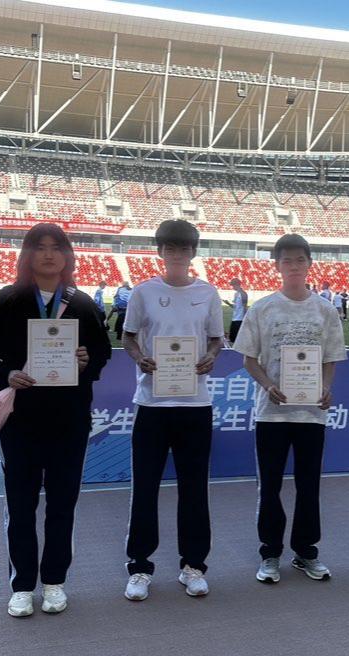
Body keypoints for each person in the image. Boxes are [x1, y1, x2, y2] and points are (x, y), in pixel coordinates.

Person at [0, 222, 112, 619]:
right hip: (21, 421)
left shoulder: (83, 304)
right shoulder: (6, 301)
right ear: (27, 255)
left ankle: (54, 582)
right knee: (21, 505)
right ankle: (21, 586)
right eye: (40, 247)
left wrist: (87, 361)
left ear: (67, 255)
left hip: (70, 420)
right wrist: (5, 375)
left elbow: (102, 354)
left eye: (56, 247)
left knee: (63, 505)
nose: (49, 254)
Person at [233, 233, 347, 585]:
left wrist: (325, 388)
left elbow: (330, 360)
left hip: (311, 414)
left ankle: (306, 551)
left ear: (309, 263)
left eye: (300, 260)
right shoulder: (263, 308)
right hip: (271, 413)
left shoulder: (325, 310)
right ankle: (270, 552)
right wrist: (268, 385)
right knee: (269, 486)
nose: (294, 266)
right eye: (287, 260)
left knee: (308, 485)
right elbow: (249, 359)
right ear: (277, 266)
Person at [121, 219, 223, 602]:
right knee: (145, 488)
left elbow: (216, 339)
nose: (177, 254)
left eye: (184, 248)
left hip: (195, 405)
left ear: (193, 252)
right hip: (152, 404)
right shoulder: (144, 292)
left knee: (194, 489)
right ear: (160, 251)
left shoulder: (208, 293)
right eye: (170, 248)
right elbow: (128, 336)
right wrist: (139, 358)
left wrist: (211, 356)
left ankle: (193, 565)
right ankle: (139, 567)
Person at [225, 277, 248, 342]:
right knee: (232, 339)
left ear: (237, 284)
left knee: (237, 339)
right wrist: (228, 303)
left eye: (233, 285)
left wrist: (245, 318)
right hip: (235, 318)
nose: (232, 287)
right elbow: (235, 306)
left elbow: (244, 306)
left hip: (240, 319)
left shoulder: (243, 294)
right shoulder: (236, 294)